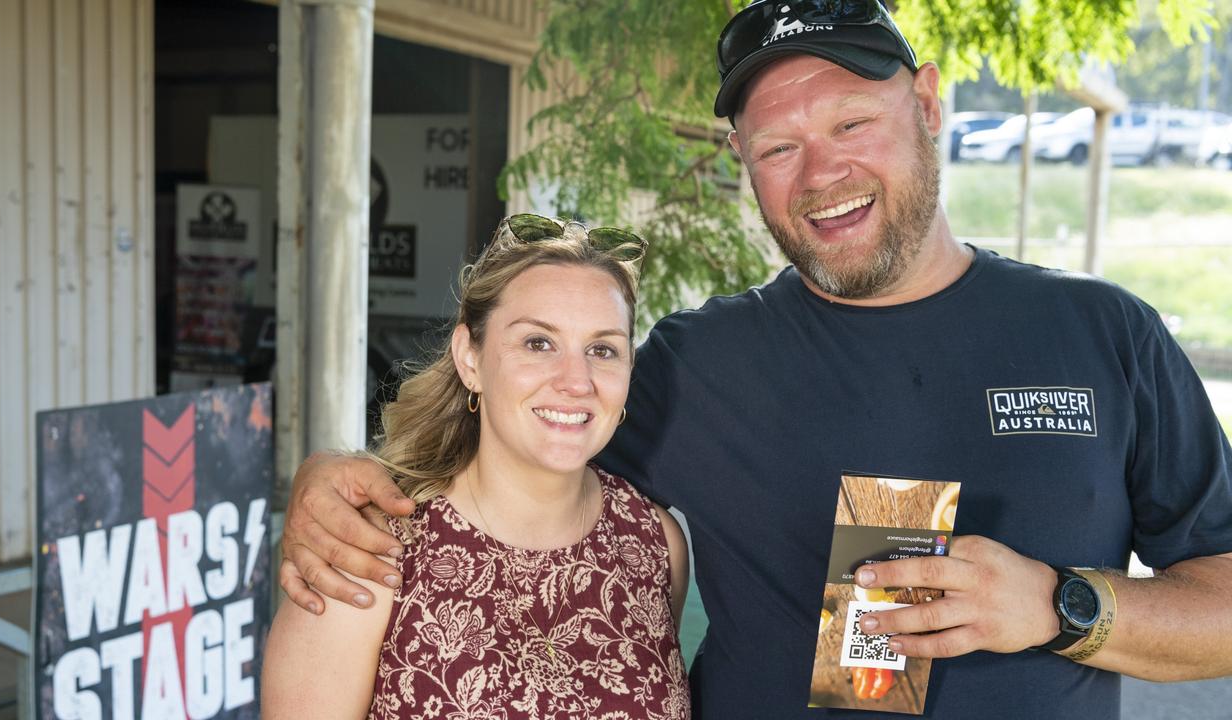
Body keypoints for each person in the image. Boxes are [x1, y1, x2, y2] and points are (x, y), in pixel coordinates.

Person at [276, 1, 1232, 717]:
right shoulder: (699, 361)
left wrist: (1062, 606)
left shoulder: (1106, 334)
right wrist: (334, 476)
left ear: (929, 103)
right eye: (779, 146)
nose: (822, 175)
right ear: (742, 160)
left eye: (853, 124)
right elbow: (526, 421)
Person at [262, 215, 691, 719]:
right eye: (538, 343)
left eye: (603, 349)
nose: (577, 380)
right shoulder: (367, 551)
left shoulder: (654, 544)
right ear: (470, 358)